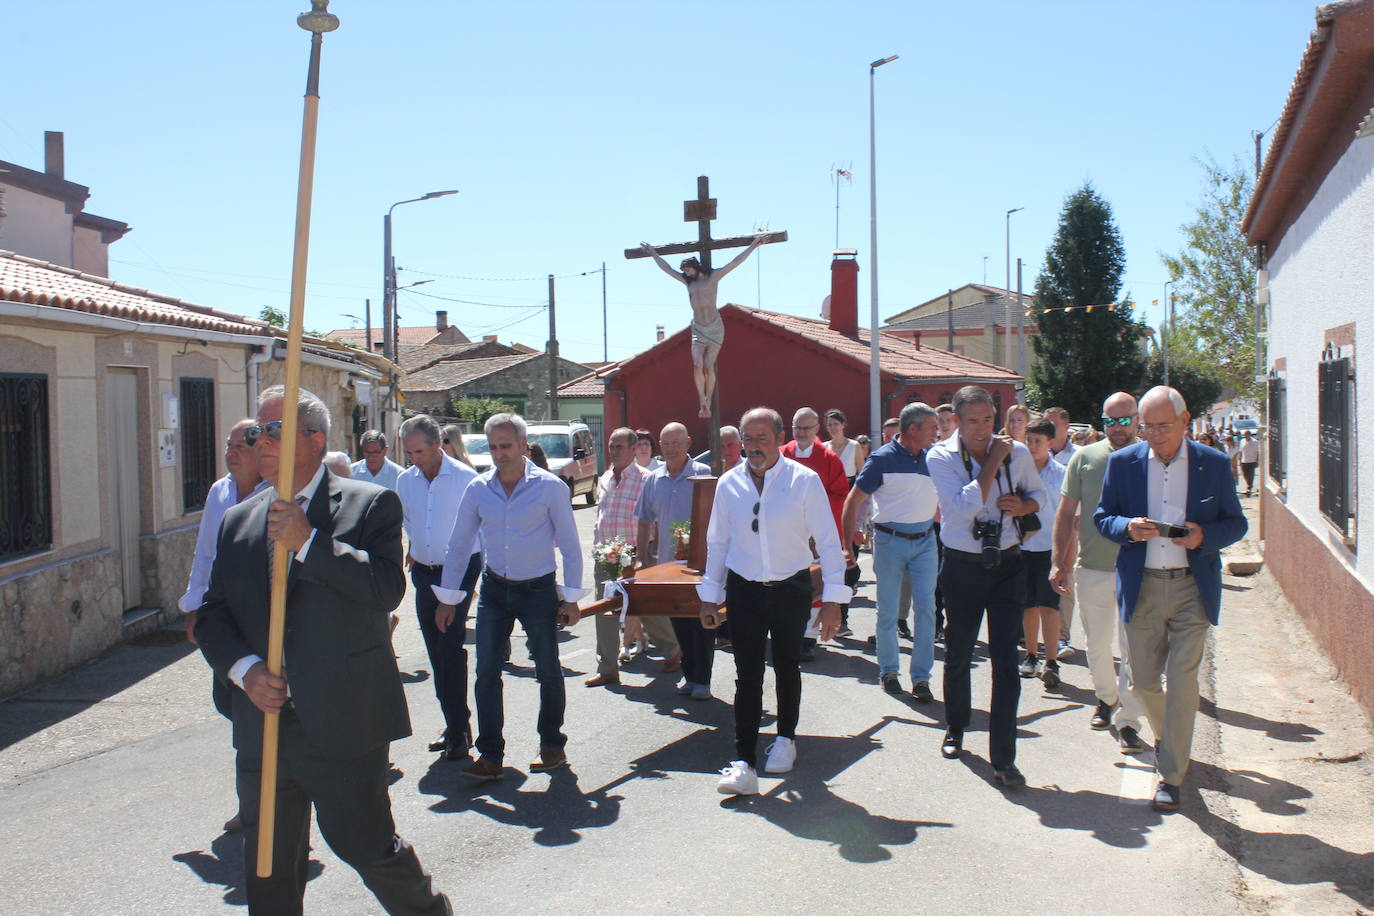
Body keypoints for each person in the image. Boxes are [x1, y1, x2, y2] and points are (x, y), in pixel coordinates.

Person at [194, 386, 449, 915]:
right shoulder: (238, 520)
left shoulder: (369, 504)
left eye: (273, 431)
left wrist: (310, 541)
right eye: (253, 432)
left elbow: (385, 590)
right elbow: (213, 615)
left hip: (343, 721)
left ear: (314, 440)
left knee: (368, 848)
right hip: (264, 723)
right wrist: (244, 670)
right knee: (268, 867)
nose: (258, 441)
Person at [1094, 386, 1247, 812]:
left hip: (1190, 588)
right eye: (1148, 427)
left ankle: (1172, 774)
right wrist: (1126, 527)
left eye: (1164, 426)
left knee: (1182, 683)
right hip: (1141, 585)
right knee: (1143, 682)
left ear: (1185, 420)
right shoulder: (1123, 464)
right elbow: (1102, 517)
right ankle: (1169, 736)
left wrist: (1204, 536)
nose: (1156, 435)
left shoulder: (1212, 464)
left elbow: (1236, 523)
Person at [699, 407, 849, 795]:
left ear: (779, 438)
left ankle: (785, 740)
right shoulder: (728, 484)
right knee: (746, 674)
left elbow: (830, 543)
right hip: (745, 588)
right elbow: (717, 543)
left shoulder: (805, 481)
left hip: (791, 587)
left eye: (762, 439)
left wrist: (833, 600)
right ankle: (743, 762)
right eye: (747, 439)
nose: (753, 447)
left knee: (787, 666)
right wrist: (710, 597)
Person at [434, 413, 585, 781]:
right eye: (493, 447)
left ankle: (552, 744)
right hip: (494, 590)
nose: (500, 454)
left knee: (547, 670)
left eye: (506, 445)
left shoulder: (550, 487)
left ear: (522, 444)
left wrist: (572, 597)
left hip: (537, 590)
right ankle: (490, 755)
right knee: (486, 672)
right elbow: (458, 545)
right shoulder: (478, 489)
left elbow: (569, 544)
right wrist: (448, 598)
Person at [927, 386, 1046, 789]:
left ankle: (1004, 757)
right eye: (973, 420)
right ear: (956, 421)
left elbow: (1040, 496)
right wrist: (993, 462)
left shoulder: (1020, 453)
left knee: (1005, 663)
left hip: (1008, 564)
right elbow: (961, 507)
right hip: (961, 567)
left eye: (988, 420)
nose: (983, 429)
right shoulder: (940, 455)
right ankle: (956, 727)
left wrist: (1023, 506)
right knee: (958, 654)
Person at [178, 417, 268, 834]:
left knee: (256, 716)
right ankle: (258, 794)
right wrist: (193, 606)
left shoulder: (277, 493)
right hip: (222, 617)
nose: (231, 453)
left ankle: (262, 805)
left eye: (239, 446)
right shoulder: (220, 492)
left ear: (258, 450)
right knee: (228, 702)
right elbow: (205, 554)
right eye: (228, 446)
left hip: (263, 618)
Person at [1050, 391, 1149, 753]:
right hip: (1092, 568)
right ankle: (1107, 698)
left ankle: (1129, 722)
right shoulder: (1085, 458)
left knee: (1135, 649)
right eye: (1110, 420)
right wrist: (1058, 561)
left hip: (1141, 570)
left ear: (1137, 419)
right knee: (1096, 645)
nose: (1118, 427)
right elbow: (1064, 513)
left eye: (1124, 420)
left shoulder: (1151, 457)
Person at [841, 402, 941, 700]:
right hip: (890, 542)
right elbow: (852, 501)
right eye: (932, 428)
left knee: (926, 609)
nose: (936, 434)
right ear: (913, 430)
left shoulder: (934, 459)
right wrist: (847, 547)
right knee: (887, 610)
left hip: (926, 542)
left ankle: (921, 679)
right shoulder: (881, 460)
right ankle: (889, 670)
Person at [397, 414, 481, 762]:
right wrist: (415, 548)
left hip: (459, 570)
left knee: (449, 648)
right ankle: (454, 723)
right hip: (424, 573)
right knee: (435, 651)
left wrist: (453, 592)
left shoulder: (465, 480)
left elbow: (473, 535)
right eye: (409, 453)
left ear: (437, 444)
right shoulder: (406, 481)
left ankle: (459, 730)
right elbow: (410, 522)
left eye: (419, 451)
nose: (414, 458)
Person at [585, 427, 680, 688]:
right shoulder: (605, 477)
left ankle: (673, 651)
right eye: (611, 446)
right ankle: (607, 668)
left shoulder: (647, 479)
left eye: (619, 447)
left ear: (633, 449)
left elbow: (658, 520)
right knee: (604, 611)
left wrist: (652, 557)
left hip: (635, 555)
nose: (614, 451)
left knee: (646, 608)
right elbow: (600, 517)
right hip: (606, 556)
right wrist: (597, 546)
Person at [641, 234, 765, 418]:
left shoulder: (713, 277)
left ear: (695, 266)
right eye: (685, 270)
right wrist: (652, 253)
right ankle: (703, 402)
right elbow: (666, 269)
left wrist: (754, 246)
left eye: (688, 269)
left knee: (708, 366)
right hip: (698, 328)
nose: (687, 273)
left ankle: (708, 399)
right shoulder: (687, 282)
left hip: (714, 327)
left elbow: (734, 262)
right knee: (697, 364)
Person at [636, 422, 713, 698]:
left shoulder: (703, 475)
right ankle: (690, 676)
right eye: (665, 443)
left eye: (675, 443)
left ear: (688, 443)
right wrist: (642, 559)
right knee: (679, 620)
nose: (670, 449)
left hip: (699, 565)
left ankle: (702, 680)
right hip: (667, 564)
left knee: (700, 621)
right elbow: (644, 521)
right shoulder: (653, 479)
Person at [782, 407, 852, 662]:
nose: (801, 433)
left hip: (816, 529)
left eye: (806, 428)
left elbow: (839, 493)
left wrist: (816, 520)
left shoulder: (829, 458)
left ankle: (809, 637)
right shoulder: (782, 455)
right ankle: (787, 632)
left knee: (815, 583)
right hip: (787, 530)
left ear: (816, 430)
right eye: (797, 428)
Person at [1018, 418, 1065, 688]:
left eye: (1038, 441)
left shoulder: (1060, 474)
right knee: (1028, 605)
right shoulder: (1020, 471)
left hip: (1050, 548)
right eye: (1029, 440)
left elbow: (1068, 516)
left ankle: (1051, 660)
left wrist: (1065, 557)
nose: (1033, 445)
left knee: (1050, 606)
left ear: (1050, 442)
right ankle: (1031, 655)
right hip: (1023, 547)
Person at [1041, 405, 1077, 659]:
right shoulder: (1035, 454)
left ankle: (1061, 638)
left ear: (1066, 426)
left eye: (1054, 424)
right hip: (1038, 529)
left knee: (1063, 579)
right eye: (1046, 423)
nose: (1049, 429)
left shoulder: (1077, 456)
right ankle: (1033, 638)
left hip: (1067, 527)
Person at [824, 408, 863, 483]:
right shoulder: (824, 447)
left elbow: (862, 472)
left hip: (849, 489)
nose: (832, 427)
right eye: (829, 425)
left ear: (843, 425)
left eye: (836, 424)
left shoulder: (854, 446)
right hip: (829, 490)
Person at [1239, 431, 1259, 496]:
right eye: (1245, 435)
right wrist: (1240, 460)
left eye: (1247, 434)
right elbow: (1240, 451)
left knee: (1250, 475)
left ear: (1250, 434)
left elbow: (1258, 452)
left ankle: (1249, 488)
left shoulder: (1255, 442)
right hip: (1244, 461)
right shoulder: (1242, 441)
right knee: (1245, 475)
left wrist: (1257, 461)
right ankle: (1248, 486)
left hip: (1252, 461)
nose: (1246, 436)